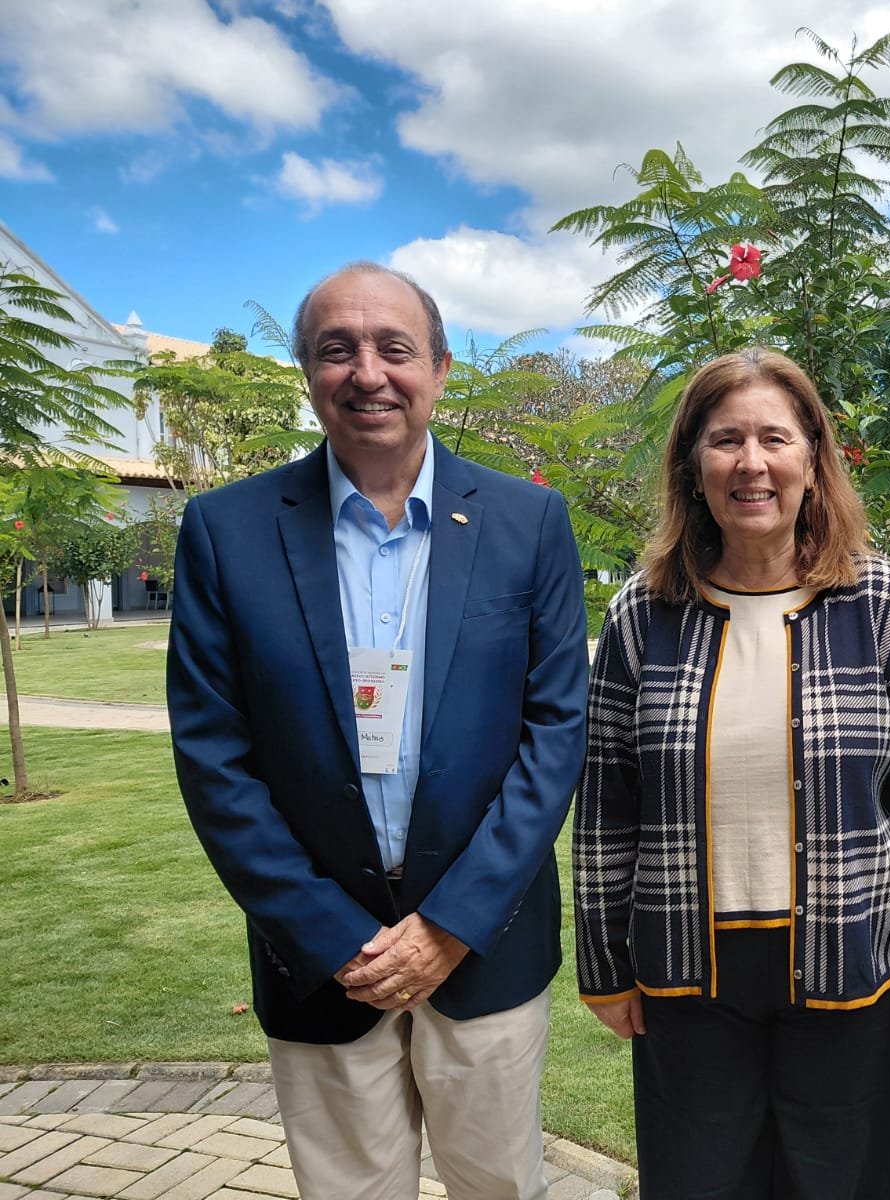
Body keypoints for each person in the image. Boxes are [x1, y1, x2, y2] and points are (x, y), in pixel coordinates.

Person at [167, 262, 587, 1200]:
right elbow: (213, 758)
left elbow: (556, 735)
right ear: (307, 373)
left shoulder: (529, 522)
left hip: (485, 949)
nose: (367, 373)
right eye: (337, 349)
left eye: (394, 348)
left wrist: (451, 925)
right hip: (323, 963)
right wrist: (329, 935)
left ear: (439, 368)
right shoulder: (225, 531)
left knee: (500, 1187)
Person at [573, 347, 890, 1199]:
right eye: (726, 440)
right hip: (686, 974)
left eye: (775, 439)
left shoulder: (882, 603)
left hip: (850, 965)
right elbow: (606, 803)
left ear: (813, 461)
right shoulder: (642, 612)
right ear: (693, 466)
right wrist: (604, 964)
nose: (751, 463)